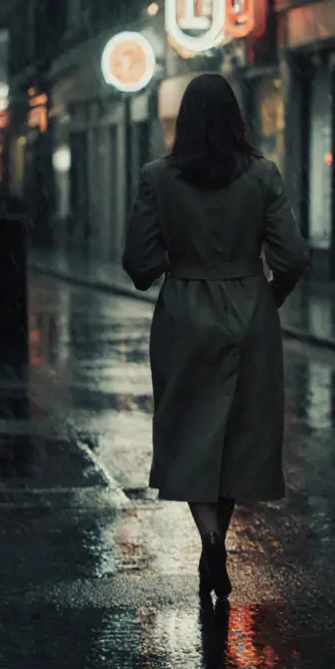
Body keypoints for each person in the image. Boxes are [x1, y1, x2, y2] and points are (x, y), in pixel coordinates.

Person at [123, 73, 310, 604]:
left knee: (189, 432)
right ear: (236, 119)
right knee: (236, 435)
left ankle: (208, 537)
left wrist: (178, 265)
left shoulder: (157, 178)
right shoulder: (262, 176)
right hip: (250, 311)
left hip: (184, 313)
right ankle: (218, 538)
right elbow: (293, 255)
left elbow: (137, 262)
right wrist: (270, 292)